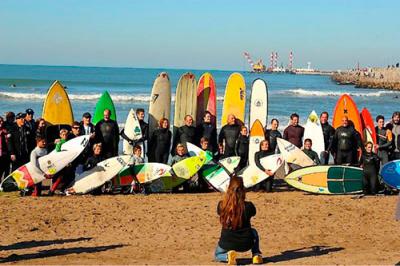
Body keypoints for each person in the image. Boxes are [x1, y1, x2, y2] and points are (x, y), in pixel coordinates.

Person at [214, 175, 263, 265]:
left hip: (227, 241)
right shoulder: (248, 206)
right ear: (243, 190)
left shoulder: (221, 205)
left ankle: (227, 256)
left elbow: (220, 212)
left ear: (229, 189)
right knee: (254, 232)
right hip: (246, 242)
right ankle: (256, 254)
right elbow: (253, 212)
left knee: (217, 255)